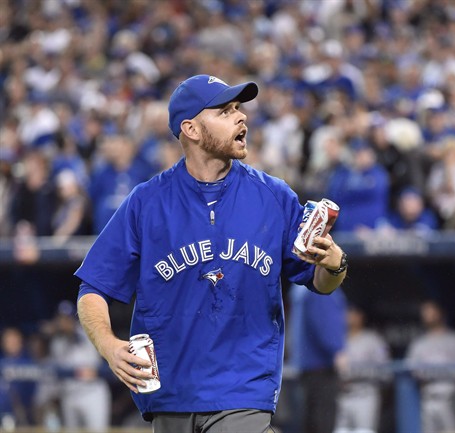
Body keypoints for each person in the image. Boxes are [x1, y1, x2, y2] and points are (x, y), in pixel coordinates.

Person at [74, 74, 348, 433]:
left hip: (242, 391)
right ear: (191, 129)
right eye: (224, 111)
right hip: (169, 395)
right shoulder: (146, 202)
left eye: (239, 109)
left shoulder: (274, 197)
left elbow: (321, 282)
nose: (241, 117)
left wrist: (335, 264)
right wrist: (109, 346)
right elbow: (93, 288)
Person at [405, 300, 455, 433]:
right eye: (425, 313)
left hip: (451, 398)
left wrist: (445, 374)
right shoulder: (419, 343)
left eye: (431, 312)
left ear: (440, 313)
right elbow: (411, 369)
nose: (428, 316)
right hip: (428, 397)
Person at [288, 283, 346, 433]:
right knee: (322, 424)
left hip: (304, 367)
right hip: (321, 367)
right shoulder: (322, 285)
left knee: (309, 422)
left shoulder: (299, 286)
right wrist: (337, 351)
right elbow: (326, 325)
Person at [46, 301, 111, 432]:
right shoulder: (57, 342)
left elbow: (104, 364)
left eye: (67, 318)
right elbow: (56, 371)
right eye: (61, 319)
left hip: (92, 392)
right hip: (69, 395)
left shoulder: (87, 334)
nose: (64, 322)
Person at [334, 303, 390, 433]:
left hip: (365, 393)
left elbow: (386, 371)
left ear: (361, 317)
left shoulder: (374, 340)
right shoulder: (337, 340)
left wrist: (359, 371)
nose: (350, 317)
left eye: (354, 313)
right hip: (342, 395)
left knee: (365, 431)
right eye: (348, 313)